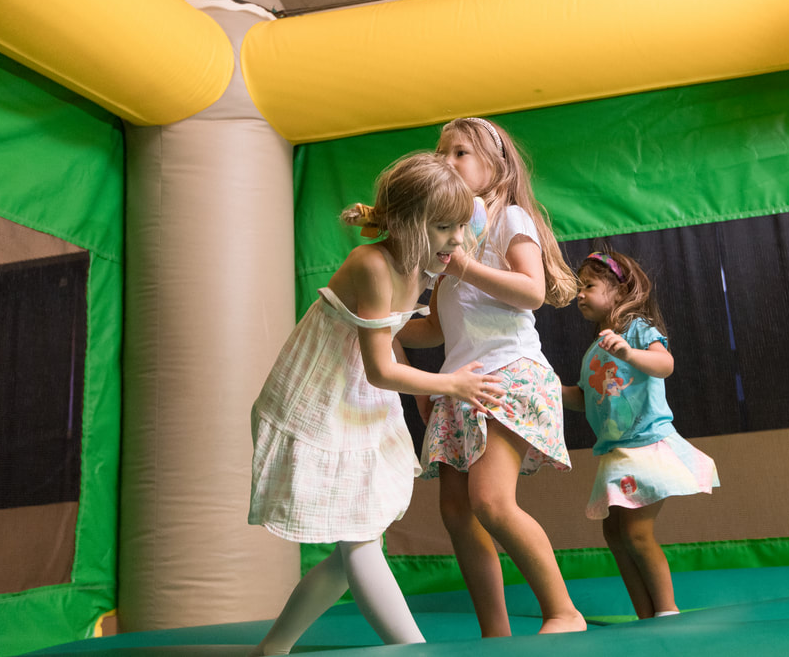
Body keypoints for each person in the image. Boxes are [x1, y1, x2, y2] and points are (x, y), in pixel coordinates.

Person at [247, 152, 510, 656]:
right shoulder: (371, 263)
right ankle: (413, 650)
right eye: (445, 229)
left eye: (461, 227)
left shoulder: (426, 262)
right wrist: (447, 386)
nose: (458, 240)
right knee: (360, 540)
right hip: (322, 395)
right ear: (410, 226)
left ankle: (272, 649)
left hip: (359, 398)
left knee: (358, 545)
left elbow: (404, 334)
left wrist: (433, 388)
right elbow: (379, 367)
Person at [399, 117, 586, 636]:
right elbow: (436, 327)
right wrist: (381, 321)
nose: (447, 162)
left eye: (460, 152)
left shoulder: (510, 219)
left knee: (491, 501)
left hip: (510, 370)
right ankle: (495, 633)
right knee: (457, 512)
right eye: (442, 153)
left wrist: (459, 265)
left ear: (495, 165)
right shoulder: (448, 243)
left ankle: (563, 611)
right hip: (463, 381)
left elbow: (530, 289)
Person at [560, 250, 719, 620]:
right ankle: (645, 614)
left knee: (635, 533)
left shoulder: (637, 330)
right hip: (618, 453)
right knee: (614, 536)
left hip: (647, 446)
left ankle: (667, 610)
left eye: (589, 285)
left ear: (618, 291)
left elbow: (665, 365)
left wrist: (630, 353)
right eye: (578, 287)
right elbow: (585, 399)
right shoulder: (593, 352)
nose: (579, 294)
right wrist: (551, 388)